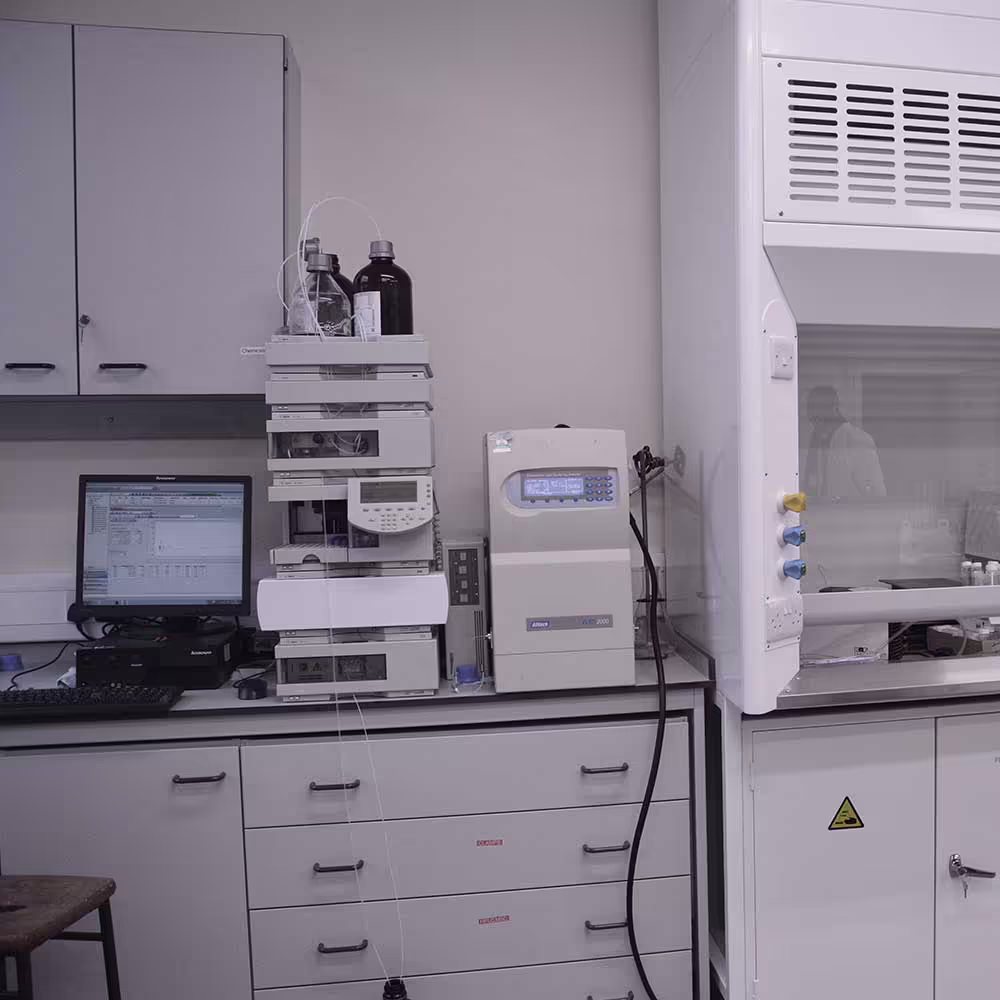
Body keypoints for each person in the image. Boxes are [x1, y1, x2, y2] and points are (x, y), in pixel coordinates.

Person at [803, 386, 886, 498]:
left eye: (818, 418)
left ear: (834, 409)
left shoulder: (858, 440)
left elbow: (877, 494)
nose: (815, 424)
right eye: (812, 419)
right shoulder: (818, 442)